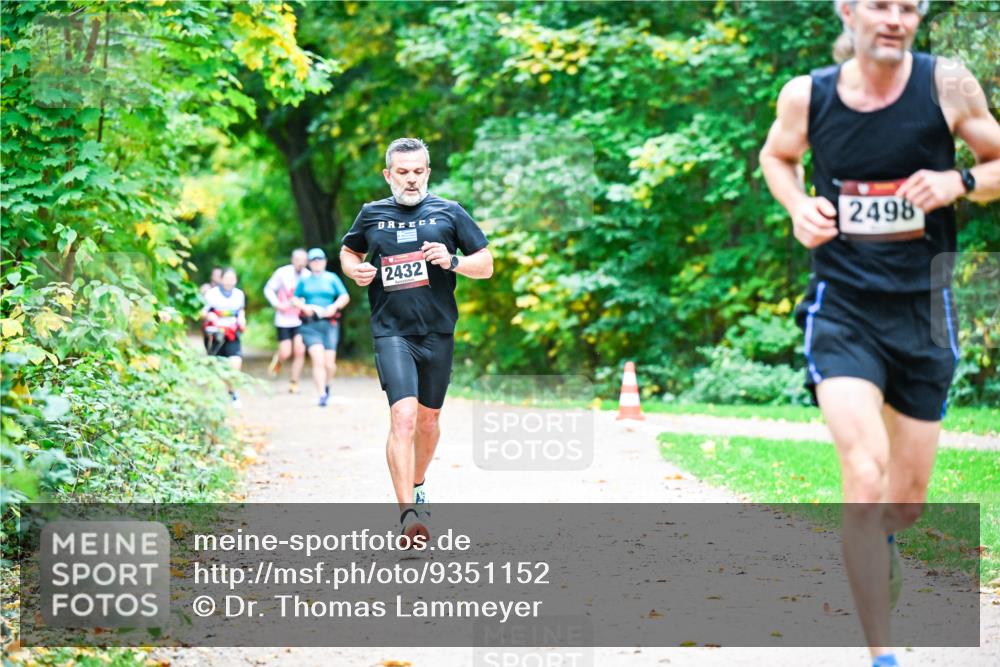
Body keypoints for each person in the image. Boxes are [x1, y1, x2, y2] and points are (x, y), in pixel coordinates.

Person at [759, 1, 1000, 665]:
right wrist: (797, 204)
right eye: (878, 5)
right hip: (843, 307)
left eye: (906, 6)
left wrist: (960, 180)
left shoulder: (948, 84)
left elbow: (998, 160)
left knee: (907, 499)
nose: (892, 18)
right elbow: (776, 158)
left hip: (925, 309)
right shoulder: (808, 95)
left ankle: (890, 535)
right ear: (848, 10)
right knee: (862, 475)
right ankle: (881, 653)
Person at [340, 137, 494, 541]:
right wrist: (353, 270)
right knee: (403, 418)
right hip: (391, 331)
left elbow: (487, 264)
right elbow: (349, 251)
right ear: (389, 175)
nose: (411, 180)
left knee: (428, 421)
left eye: (418, 171)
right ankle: (408, 514)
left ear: (428, 172)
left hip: (437, 331)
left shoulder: (450, 212)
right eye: (403, 172)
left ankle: (419, 482)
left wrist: (453, 260)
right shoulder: (372, 214)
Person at [291, 248, 350, 407]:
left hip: (329, 324)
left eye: (319, 259)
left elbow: (344, 296)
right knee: (318, 360)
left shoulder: (332, 278)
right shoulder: (304, 280)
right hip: (310, 324)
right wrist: (304, 308)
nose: (317, 263)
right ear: (309, 263)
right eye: (313, 260)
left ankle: (327, 385)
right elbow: (294, 299)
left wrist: (334, 306)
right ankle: (322, 394)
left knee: (329, 364)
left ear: (324, 261)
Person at [263, 248, 309, 393]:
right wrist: (277, 304)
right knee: (285, 353)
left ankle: (294, 383)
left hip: (300, 319)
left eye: (303, 260)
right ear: (292, 260)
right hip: (284, 319)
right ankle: (279, 360)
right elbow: (268, 289)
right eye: (298, 260)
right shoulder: (282, 273)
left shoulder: (309, 276)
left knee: (300, 351)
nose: (300, 263)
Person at [202, 268, 247, 407]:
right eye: (226, 278)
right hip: (215, 334)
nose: (229, 281)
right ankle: (214, 396)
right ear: (221, 279)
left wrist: (242, 319)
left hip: (232, 333)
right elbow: (202, 312)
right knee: (216, 366)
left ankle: (232, 392)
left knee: (235, 363)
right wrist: (210, 316)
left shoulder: (239, 295)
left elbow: (240, 311)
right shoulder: (211, 294)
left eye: (232, 278)